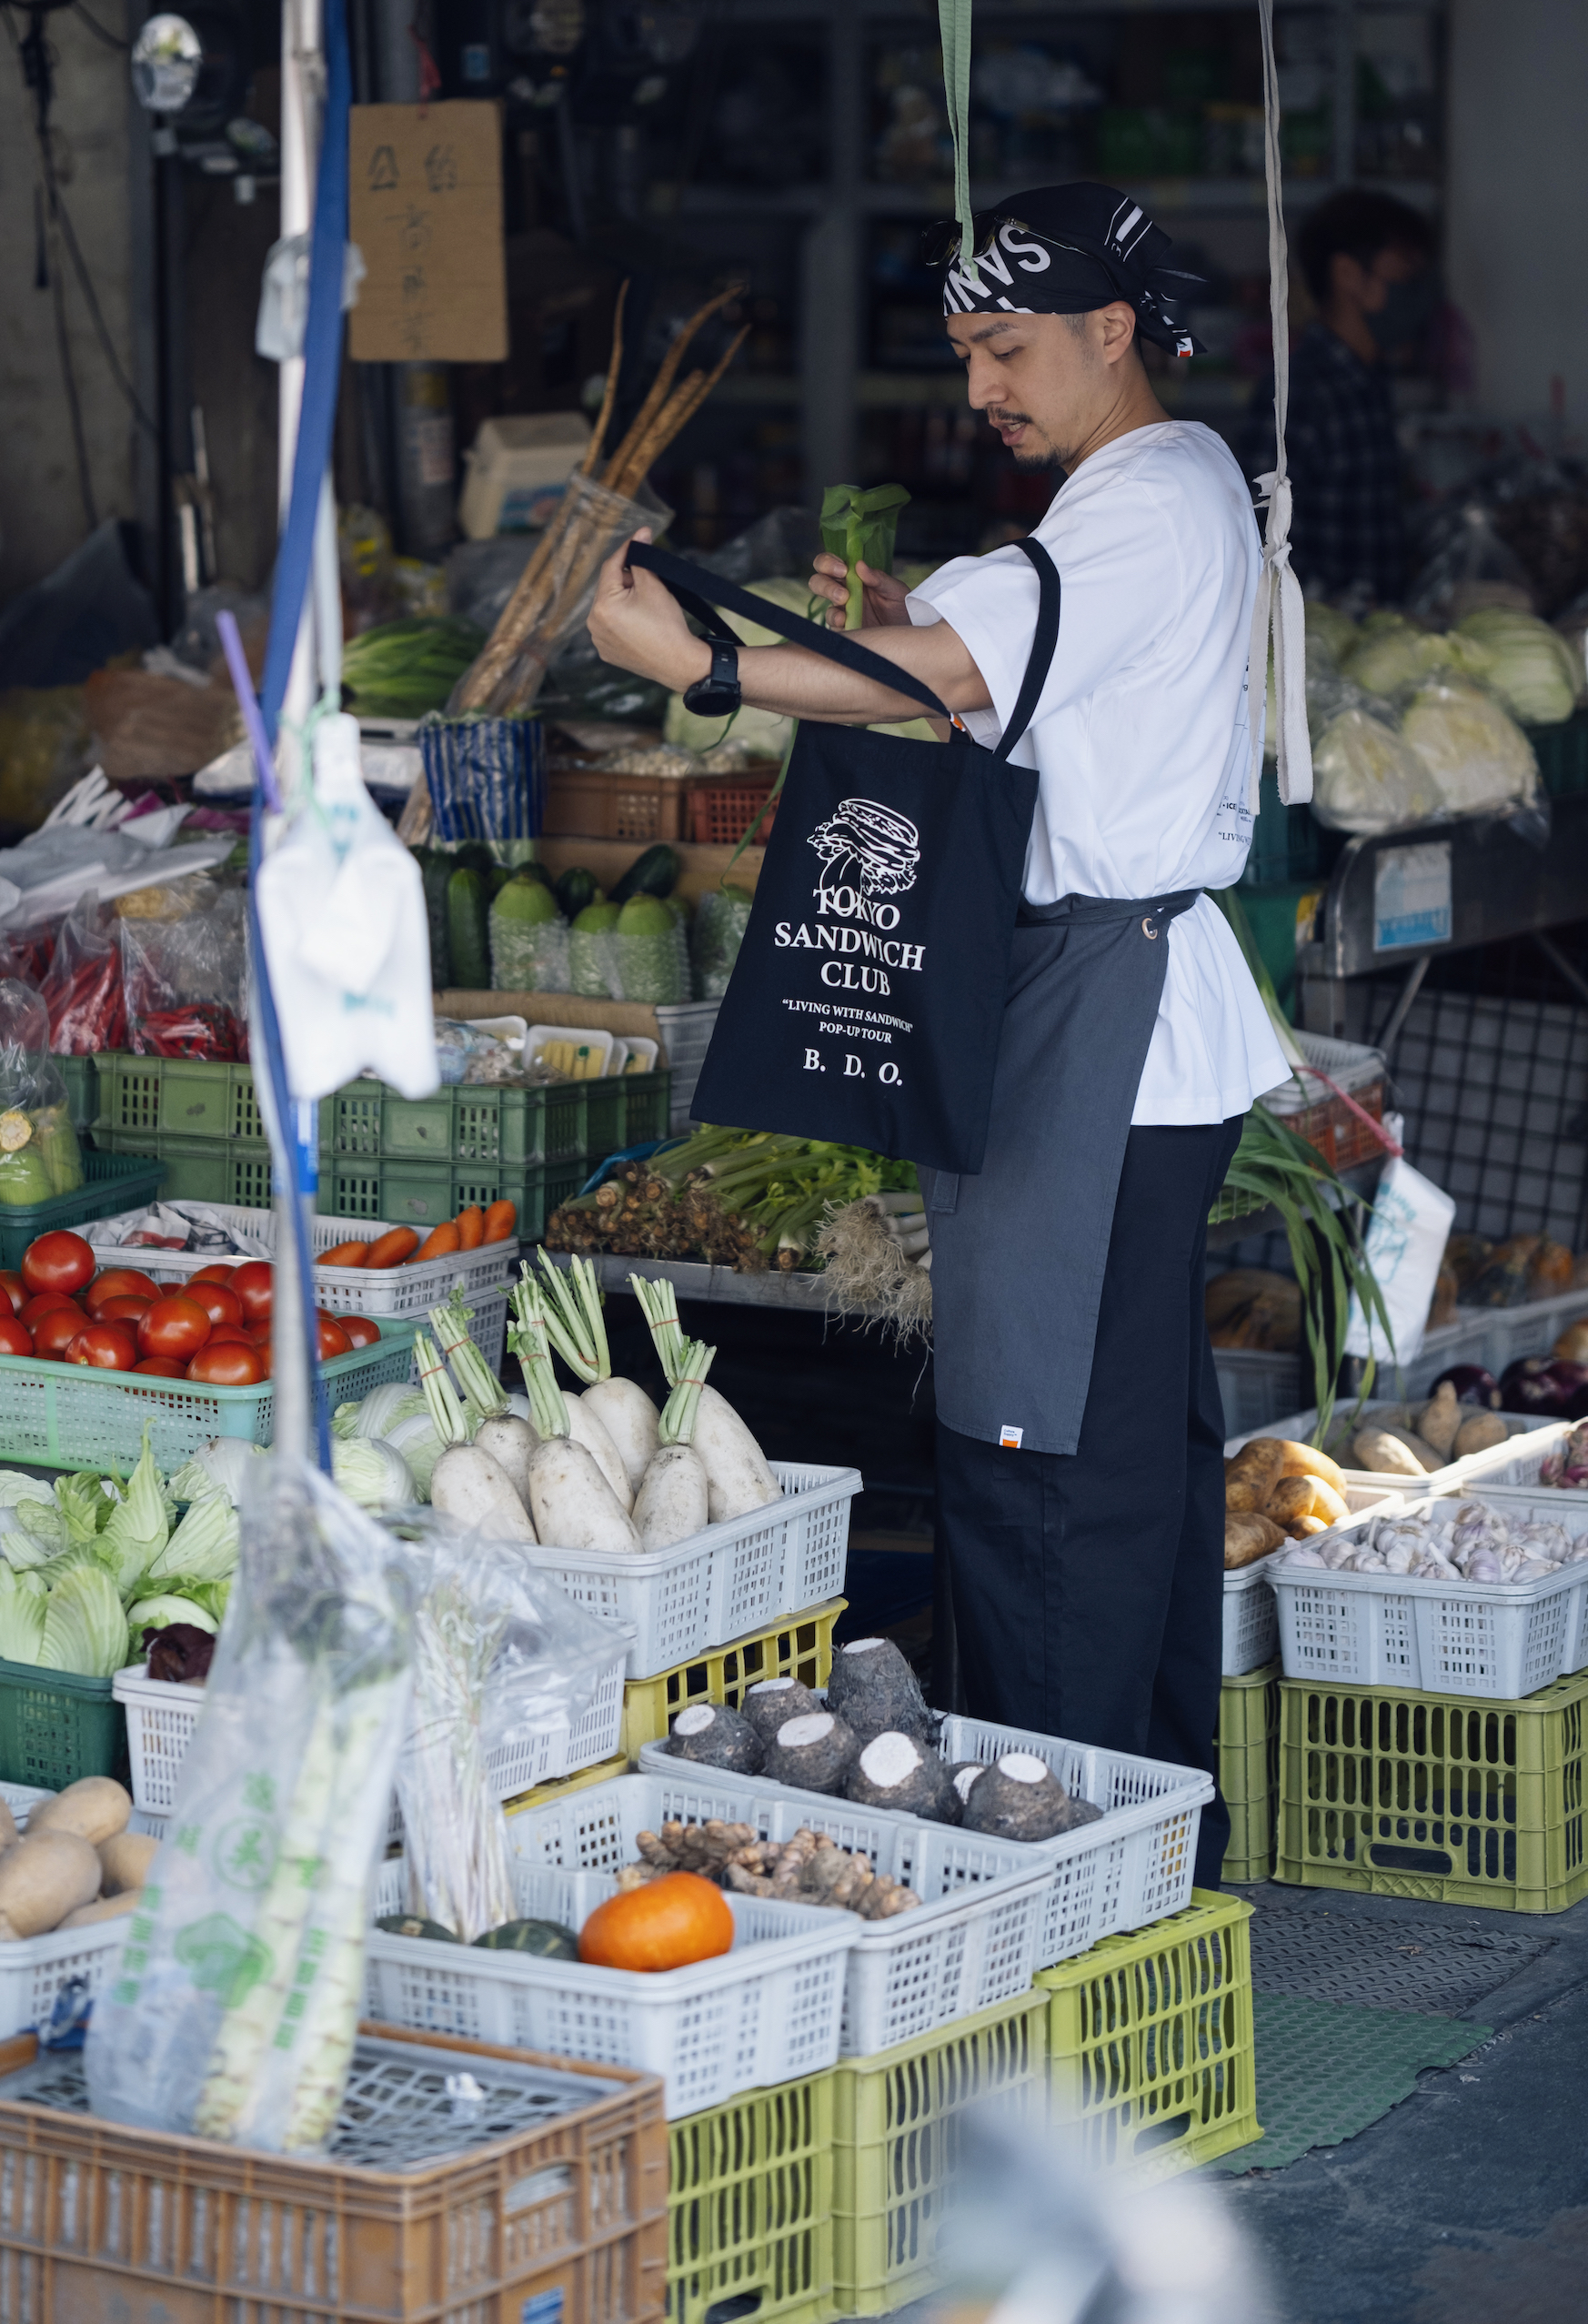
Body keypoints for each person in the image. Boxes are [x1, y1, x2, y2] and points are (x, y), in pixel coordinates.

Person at [588, 184, 1292, 1884]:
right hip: (1121, 1017)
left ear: (1112, 331)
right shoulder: (1166, 484)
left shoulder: (1142, 501)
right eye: (966, 349)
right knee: (1126, 1457)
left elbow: (955, 685)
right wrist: (910, 619)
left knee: (1038, 1458)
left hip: (1103, 1029)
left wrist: (705, 667)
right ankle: (1152, 1857)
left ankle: (1056, 1879)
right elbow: (1015, 675)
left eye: (1009, 347)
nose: (981, 385)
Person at [1240, 186, 1435, 606]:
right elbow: (1259, 543)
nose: (1419, 293)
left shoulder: (1370, 382)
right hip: (1320, 636)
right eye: (1406, 274)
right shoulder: (1298, 395)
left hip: (1380, 630)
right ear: (1348, 274)